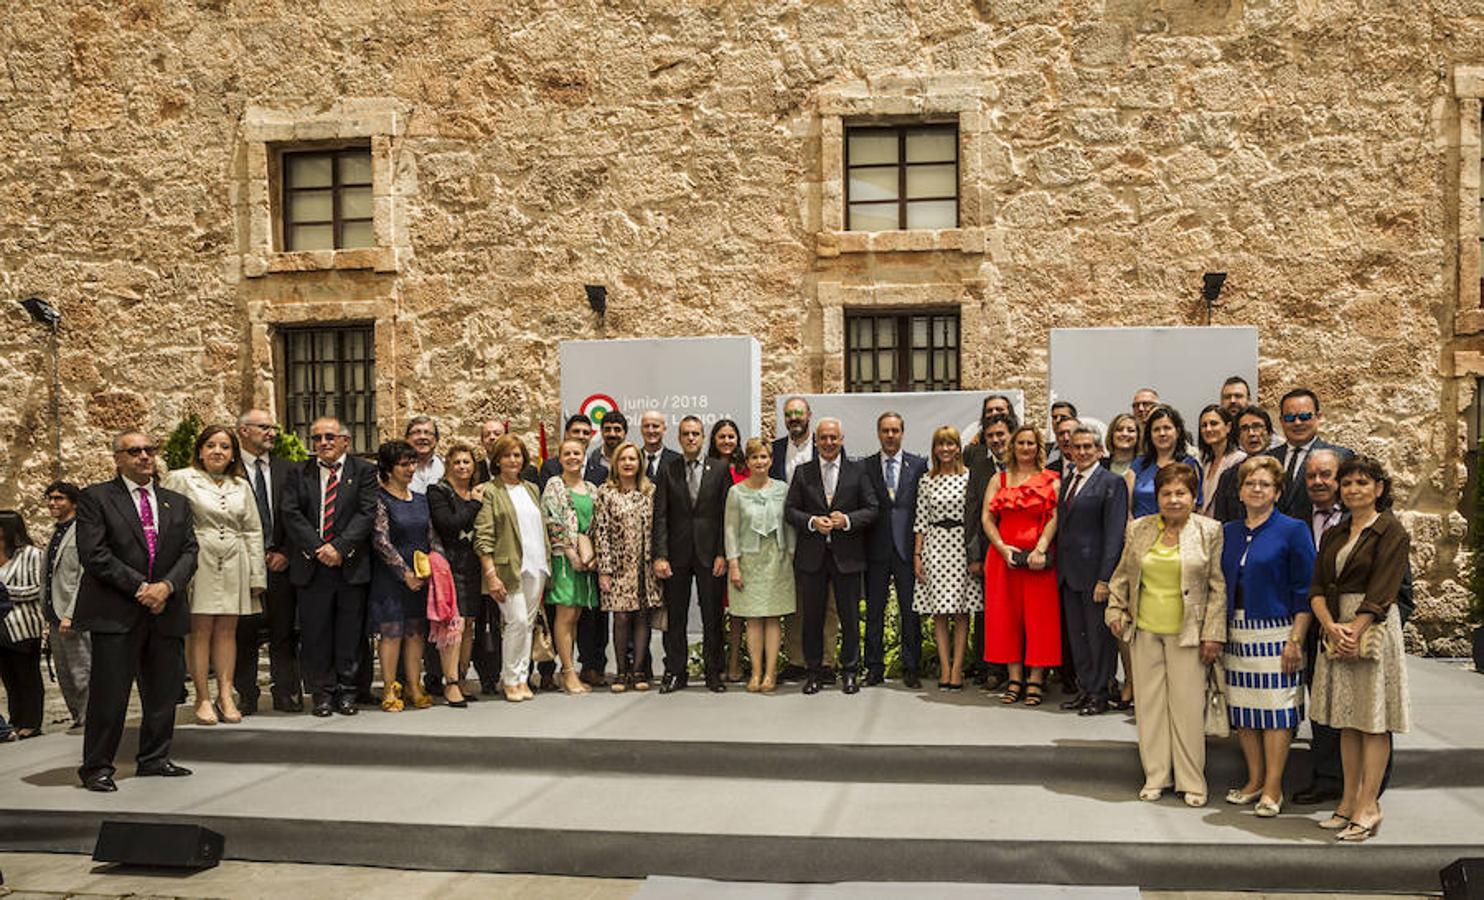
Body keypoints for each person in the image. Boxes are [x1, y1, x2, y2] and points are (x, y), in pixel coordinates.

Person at [75, 430, 200, 791]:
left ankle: (154, 758)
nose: (145, 456)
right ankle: (97, 766)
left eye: (149, 450)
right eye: (134, 451)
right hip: (117, 610)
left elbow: (190, 551)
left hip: (166, 608)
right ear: (117, 458)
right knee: (109, 695)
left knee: (163, 692)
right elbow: (94, 553)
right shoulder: (96, 498)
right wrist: (140, 587)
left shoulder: (175, 502)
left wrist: (166, 586)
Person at [1106, 464, 1225, 807]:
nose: (1174, 500)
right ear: (1156, 497)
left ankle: (1192, 782)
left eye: (1181, 493)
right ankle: (1157, 775)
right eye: (1166, 493)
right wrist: (1115, 610)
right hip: (1144, 631)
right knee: (1150, 708)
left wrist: (1213, 634)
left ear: (1194, 496)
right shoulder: (1140, 529)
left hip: (1188, 634)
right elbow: (1121, 577)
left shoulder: (1209, 530)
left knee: (1187, 709)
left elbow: (1218, 587)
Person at [1307, 456, 1410, 843]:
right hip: (1336, 626)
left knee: (1373, 721)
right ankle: (1348, 802)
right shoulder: (1335, 532)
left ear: (1379, 489)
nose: (1352, 490)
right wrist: (1330, 626)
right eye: (1347, 483)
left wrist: (1354, 629)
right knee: (1348, 720)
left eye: (1362, 483)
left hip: (1373, 629)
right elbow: (1317, 586)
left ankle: (1370, 805)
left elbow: (1384, 589)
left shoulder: (1391, 530)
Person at [1220, 455, 1316, 817]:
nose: (1256, 489)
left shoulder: (1293, 530)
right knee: (1245, 711)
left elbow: (1306, 589)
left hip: (1279, 631)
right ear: (1240, 491)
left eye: (1264, 484)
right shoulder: (1228, 531)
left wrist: (1296, 639)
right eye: (1250, 484)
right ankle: (1254, 779)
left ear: (1277, 492)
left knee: (1277, 712)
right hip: (1236, 631)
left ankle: (1273, 786)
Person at [163, 425, 267, 726]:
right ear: (200, 450)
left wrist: (257, 575)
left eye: (224, 446)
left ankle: (225, 694)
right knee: (199, 630)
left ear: (233, 453)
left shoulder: (241, 485)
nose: (217, 452)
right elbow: (170, 524)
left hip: (235, 558)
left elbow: (252, 529)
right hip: (199, 557)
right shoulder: (182, 478)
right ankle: (202, 697)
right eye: (211, 445)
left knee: (227, 631)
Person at [281, 416, 379, 717]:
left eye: (329, 437)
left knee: (350, 633)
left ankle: (348, 692)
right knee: (315, 633)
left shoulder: (364, 471)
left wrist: (339, 547)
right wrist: (317, 547)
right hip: (313, 566)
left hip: (350, 564)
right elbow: (291, 512)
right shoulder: (299, 472)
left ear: (345, 441)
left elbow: (366, 513)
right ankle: (322, 694)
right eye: (317, 438)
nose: (323, 443)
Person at [785, 418, 879, 695]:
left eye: (833, 438)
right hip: (813, 557)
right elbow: (790, 511)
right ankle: (814, 672)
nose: (828, 443)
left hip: (847, 556)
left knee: (849, 618)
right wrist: (813, 521)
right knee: (811, 618)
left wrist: (847, 520)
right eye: (823, 438)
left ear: (842, 439)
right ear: (816, 440)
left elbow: (872, 509)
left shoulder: (857, 471)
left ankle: (849, 672)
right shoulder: (803, 473)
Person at [369, 440, 460, 711]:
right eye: (404, 464)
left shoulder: (420, 500)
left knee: (415, 632)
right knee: (392, 632)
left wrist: (437, 566)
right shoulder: (380, 500)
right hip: (390, 577)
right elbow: (380, 540)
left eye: (412, 463)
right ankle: (389, 688)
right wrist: (404, 573)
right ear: (388, 467)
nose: (410, 468)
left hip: (422, 577)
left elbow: (432, 536)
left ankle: (413, 684)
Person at [981, 424, 1061, 706]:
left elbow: (1054, 517)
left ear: (1039, 448)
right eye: (1021, 443)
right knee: (1006, 618)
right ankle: (1015, 678)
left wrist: (1039, 549)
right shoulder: (999, 480)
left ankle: (1036, 680)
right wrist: (1002, 549)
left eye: (1031, 443)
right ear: (1012, 447)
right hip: (1003, 560)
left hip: (1039, 561)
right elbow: (987, 519)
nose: (1025, 448)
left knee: (1040, 620)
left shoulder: (1051, 479)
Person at [653, 416, 732, 693]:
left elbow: (726, 516)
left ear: (702, 437)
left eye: (696, 433)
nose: (691, 438)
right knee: (676, 617)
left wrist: (723, 552)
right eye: (686, 434)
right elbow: (660, 516)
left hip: (711, 555)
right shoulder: (668, 469)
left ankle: (713, 672)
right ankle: (676, 672)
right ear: (679, 437)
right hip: (676, 555)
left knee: (712, 617)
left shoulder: (721, 469)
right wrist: (660, 555)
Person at [1055, 427, 1129, 716]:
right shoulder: (1067, 481)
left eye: (1088, 447)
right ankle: (1085, 689)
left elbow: (1113, 535)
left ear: (1100, 451)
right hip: (1069, 575)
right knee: (1077, 636)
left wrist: (1105, 578)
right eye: (1077, 447)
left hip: (1095, 576)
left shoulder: (1112, 482)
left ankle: (1100, 693)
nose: (1082, 452)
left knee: (1099, 638)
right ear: (1070, 451)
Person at [475, 434, 551, 702]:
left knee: (528, 624)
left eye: (517, 455)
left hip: (536, 565)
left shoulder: (532, 488)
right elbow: (483, 537)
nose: (512, 460)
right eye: (507, 455)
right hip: (508, 568)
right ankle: (509, 679)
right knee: (515, 621)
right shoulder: (490, 491)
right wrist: (491, 574)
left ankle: (522, 678)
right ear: (497, 460)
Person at [234, 410, 300, 714]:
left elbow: (299, 517)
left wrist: (286, 551)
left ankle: (286, 692)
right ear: (244, 431)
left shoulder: (289, 470)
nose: (272, 433)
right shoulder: (228, 469)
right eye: (264, 427)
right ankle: (246, 694)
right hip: (242, 566)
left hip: (280, 563)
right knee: (243, 632)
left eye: (274, 427)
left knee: (284, 631)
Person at [912, 426, 982, 690]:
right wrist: (918, 555)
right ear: (934, 449)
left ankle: (957, 669)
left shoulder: (969, 477)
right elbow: (920, 520)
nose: (945, 449)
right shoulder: (926, 480)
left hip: (962, 547)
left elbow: (975, 517)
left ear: (958, 447)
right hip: (935, 548)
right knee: (939, 613)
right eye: (941, 444)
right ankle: (944, 667)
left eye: (950, 444)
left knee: (962, 612)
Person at [725, 438, 797, 693]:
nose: (759, 462)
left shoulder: (783, 489)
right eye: (754, 457)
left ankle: (770, 673)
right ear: (747, 462)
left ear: (771, 460)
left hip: (776, 560)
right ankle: (755, 673)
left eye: (764, 457)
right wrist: (733, 564)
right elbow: (730, 529)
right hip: (747, 561)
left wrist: (791, 554)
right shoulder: (736, 492)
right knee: (753, 619)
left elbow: (790, 525)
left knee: (773, 617)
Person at [592, 442, 662, 692]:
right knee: (621, 618)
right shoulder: (605, 492)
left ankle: (639, 671)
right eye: (623, 459)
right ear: (616, 463)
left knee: (642, 616)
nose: (628, 463)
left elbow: (658, 528)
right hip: (618, 566)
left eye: (633, 459)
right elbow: (600, 532)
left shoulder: (650, 491)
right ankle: (621, 671)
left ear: (640, 463)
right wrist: (604, 570)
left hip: (644, 567)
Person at [863, 412, 926, 687]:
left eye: (895, 430)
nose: (890, 435)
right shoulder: (864, 466)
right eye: (885, 431)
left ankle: (911, 667)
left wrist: (920, 552)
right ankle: (874, 668)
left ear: (903, 433)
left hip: (907, 549)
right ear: (878, 433)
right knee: (874, 612)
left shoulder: (919, 465)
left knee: (910, 612)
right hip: (875, 550)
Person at [540, 437, 600, 694]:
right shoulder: (555, 485)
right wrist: (570, 553)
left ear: (584, 455)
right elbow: (552, 521)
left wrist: (594, 556)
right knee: (565, 616)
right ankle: (567, 672)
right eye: (568, 454)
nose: (573, 457)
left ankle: (570, 668)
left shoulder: (591, 488)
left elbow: (597, 525)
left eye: (577, 453)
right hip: (565, 560)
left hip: (587, 561)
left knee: (575, 616)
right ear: (560, 458)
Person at [427, 442, 486, 700]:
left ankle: (461, 677)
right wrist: (474, 505)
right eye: (457, 462)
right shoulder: (438, 492)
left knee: (469, 623)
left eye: (467, 462)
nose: (462, 466)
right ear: (448, 466)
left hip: (473, 564)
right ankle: (449, 682)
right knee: (454, 624)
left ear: (474, 467)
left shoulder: (478, 491)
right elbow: (448, 524)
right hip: (450, 565)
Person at [42, 482, 88, 733]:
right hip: (53, 614)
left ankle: (89, 720)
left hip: (72, 614)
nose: (52, 503)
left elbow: (83, 575)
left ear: (73, 502)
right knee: (65, 674)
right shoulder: (56, 533)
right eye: (49, 498)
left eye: (59, 498)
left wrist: (72, 613)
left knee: (82, 671)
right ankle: (79, 718)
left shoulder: (81, 531)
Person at [1268, 389, 1352, 519]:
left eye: (1304, 417)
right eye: (1290, 417)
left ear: (1318, 417)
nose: (1297, 423)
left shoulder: (1341, 456)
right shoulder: (1268, 459)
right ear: (1281, 421)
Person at [0, 510, 46, 739]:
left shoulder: (31, 555)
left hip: (23, 625)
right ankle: (15, 720)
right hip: (1, 628)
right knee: (9, 679)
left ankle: (32, 721)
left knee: (27, 676)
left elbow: (38, 588)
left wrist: (5, 593)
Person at [1130, 405, 1201, 518]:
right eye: (1156, 429)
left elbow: (1197, 507)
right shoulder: (1138, 464)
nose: (1162, 433)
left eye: (1167, 428)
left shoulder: (1190, 464)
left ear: (1177, 432)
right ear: (1150, 435)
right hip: (1141, 531)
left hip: (1179, 531)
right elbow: (1126, 506)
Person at [1196, 405, 1245, 518]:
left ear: (1228, 427)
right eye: (1204, 425)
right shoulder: (1204, 462)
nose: (1208, 429)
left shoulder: (1239, 460)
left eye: (1214, 423)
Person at [534, 415, 601, 487]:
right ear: (566, 434)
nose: (581, 436)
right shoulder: (549, 467)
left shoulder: (601, 472)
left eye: (586, 433)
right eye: (576, 431)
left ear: (590, 437)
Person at [476, 420, 540, 486]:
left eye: (497, 434)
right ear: (482, 441)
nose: (492, 437)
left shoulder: (529, 471)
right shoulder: (474, 470)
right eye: (487, 435)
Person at [770, 395, 816, 482]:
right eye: (788, 414)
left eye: (798, 413)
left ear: (809, 415)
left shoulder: (824, 447)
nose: (793, 418)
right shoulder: (774, 449)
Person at [404, 416, 445, 493]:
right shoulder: (395, 470)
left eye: (428, 433)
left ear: (436, 440)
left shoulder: (446, 467)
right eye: (417, 432)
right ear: (407, 439)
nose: (422, 437)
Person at [638, 410, 681, 482]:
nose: (650, 431)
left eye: (655, 426)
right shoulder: (633, 459)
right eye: (646, 426)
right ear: (641, 429)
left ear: (664, 429)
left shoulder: (678, 461)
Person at [588, 410, 629, 482]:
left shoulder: (633, 460)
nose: (612, 434)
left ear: (625, 433)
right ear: (601, 432)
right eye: (607, 429)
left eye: (617, 429)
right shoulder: (591, 460)